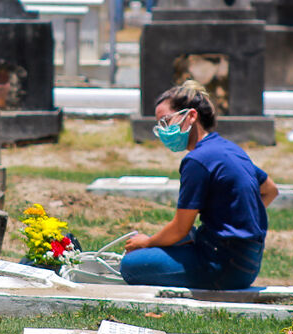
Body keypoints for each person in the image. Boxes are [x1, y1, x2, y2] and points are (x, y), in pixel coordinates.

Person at [119, 80, 278, 289]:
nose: (164, 130)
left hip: (222, 264)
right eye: (160, 126)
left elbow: (180, 229)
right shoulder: (230, 149)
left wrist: (146, 242)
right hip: (249, 263)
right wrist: (235, 218)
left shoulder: (197, 161)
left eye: (166, 121)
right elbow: (271, 190)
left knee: (130, 265)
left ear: (191, 116)